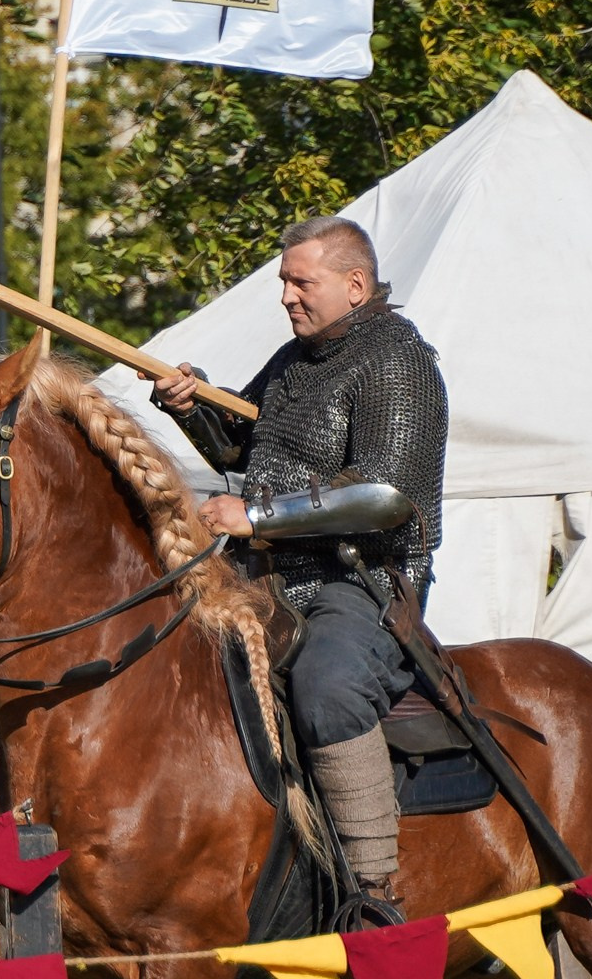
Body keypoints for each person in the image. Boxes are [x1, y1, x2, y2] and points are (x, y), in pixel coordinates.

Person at [144, 216, 447, 913]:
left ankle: (374, 890)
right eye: (284, 281)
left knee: (327, 683)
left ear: (355, 284)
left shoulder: (398, 361)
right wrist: (194, 406)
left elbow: (386, 495)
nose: (285, 295)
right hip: (269, 580)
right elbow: (243, 447)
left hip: (360, 581)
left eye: (299, 280)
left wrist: (254, 517)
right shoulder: (296, 362)